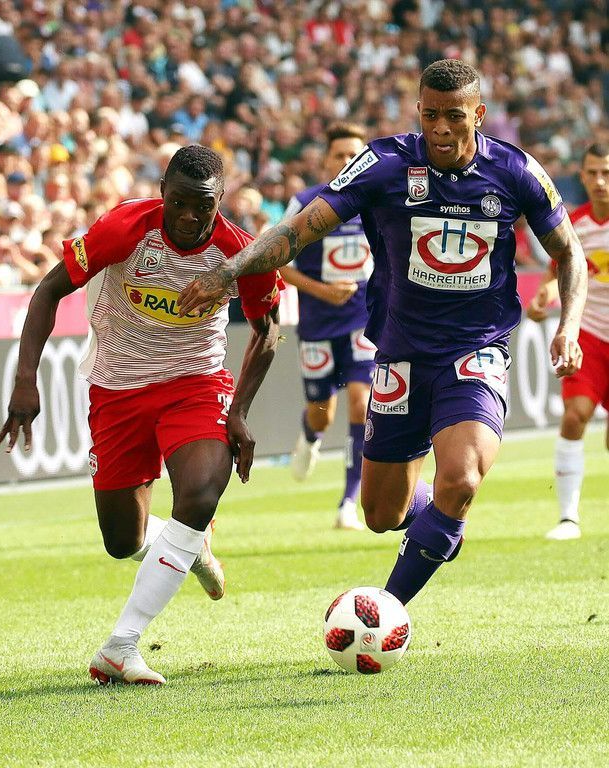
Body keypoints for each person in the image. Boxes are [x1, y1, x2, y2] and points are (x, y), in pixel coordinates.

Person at [178, 59, 587, 609]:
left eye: (455, 116)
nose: (440, 128)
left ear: (479, 115)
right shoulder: (385, 164)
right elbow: (296, 232)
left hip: (475, 350)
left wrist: (568, 324)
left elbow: (569, 252)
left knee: (462, 478)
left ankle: (386, 609)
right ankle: (438, 522)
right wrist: (228, 271)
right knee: (381, 514)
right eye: (430, 115)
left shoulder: (515, 171)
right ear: (418, 110)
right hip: (399, 355)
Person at [0, 145, 283, 685]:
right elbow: (49, 290)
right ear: (162, 193)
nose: (189, 217)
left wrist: (240, 412)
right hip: (117, 389)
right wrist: (25, 379)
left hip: (195, 383)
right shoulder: (124, 229)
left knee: (200, 493)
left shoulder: (238, 252)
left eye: (203, 206)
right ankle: (191, 548)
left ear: (220, 200)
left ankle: (121, 645)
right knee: (121, 541)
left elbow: (267, 330)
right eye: (179, 203)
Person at [279, 122, 375, 531]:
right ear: (326, 161)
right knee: (321, 413)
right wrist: (322, 291)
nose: (348, 161)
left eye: (355, 155)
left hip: (363, 320)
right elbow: (278, 260)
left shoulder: (376, 199)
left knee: (361, 404)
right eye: (340, 155)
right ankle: (310, 435)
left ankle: (348, 502)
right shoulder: (305, 203)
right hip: (318, 324)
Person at [527, 142, 609, 541]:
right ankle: (568, 518)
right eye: (592, 173)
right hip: (588, 334)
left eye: (606, 173)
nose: (600, 181)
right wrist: (543, 298)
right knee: (575, 415)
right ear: (582, 176)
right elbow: (556, 275)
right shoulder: (573, 224)